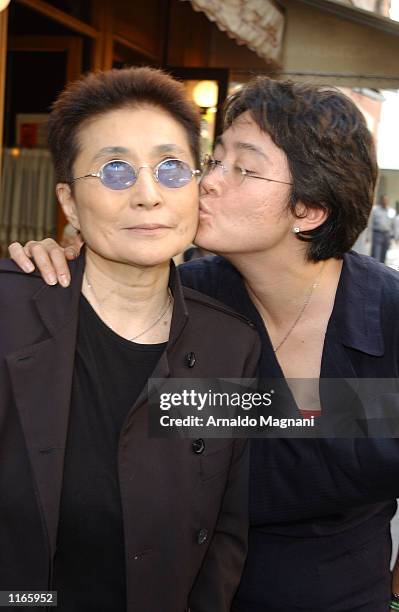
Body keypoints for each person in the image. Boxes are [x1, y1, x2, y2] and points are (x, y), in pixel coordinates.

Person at [10, 77, 399, 612]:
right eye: (213, 162)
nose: (207, 183)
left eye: (241, 167)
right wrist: (57, 266)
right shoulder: (189, 301)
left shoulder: (386, 318)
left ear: (308, 210)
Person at [1, 67, 261, 612]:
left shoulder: (227, 344)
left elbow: (223, 532)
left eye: (171, 168)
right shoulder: (10, 314)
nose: (148, 195)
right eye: (115, 171)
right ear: (69, 203)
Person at [370, 193, 392, 263]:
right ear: (381, 200)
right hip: (377, 234)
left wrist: (392, 236)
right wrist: (368, 237)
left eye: (387, 200)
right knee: (376, 254)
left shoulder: (390, 211)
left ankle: (381, 271)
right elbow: (370, 223)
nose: (385, 201)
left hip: (386, 235)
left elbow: (392, 224)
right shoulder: (375, 210)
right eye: (384, 200)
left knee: (384, 255)